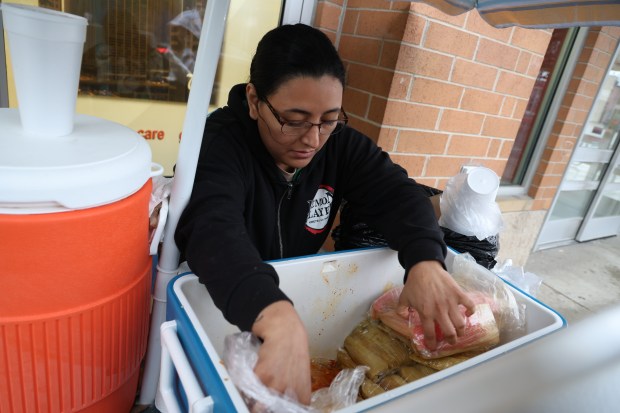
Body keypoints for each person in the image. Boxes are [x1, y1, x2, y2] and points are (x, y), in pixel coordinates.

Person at [175, 23, 476, 405]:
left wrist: (426, 261)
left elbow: (396, 192)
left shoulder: (338, 145)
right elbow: (211, 229)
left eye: (329, 119)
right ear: (253, 100)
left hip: (290, 292)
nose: (313, 139)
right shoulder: (218, 144)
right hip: (220, 295)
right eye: (294, 120)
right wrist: (276, 315)